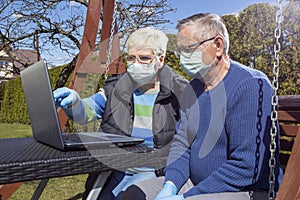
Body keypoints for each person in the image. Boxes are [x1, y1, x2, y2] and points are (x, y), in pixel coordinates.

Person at [119, 13, 283, 200]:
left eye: (188, 50)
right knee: (132, 194)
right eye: (179, 51)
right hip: (197, 183)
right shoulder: (193, 88)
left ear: (218, 46)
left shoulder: (250, 85)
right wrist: (170, 184)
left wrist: (187, 196)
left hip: (243, 189)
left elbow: (247, 166)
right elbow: (182, 143)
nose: (182, 58)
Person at [53, 27, 188, 199]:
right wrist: (74, 103)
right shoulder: (116, 88)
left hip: (153, 171)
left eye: (144, 58)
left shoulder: (179, 93)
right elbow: (86, 112)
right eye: (131, 58)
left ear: (160, 60)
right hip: (114, 169)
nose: (135, 63)